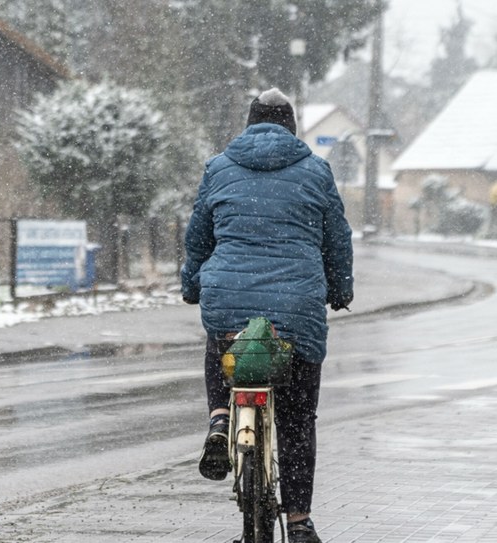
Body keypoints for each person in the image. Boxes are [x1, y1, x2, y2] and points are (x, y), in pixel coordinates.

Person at [181, 88, 353, 543]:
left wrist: (192, 286)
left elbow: (198, 237)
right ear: (292, 128)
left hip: (229, 299)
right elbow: (337, 239)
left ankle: (220, 419)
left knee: (222, 341)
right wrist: (340, 290)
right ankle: (299, 523)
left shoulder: (219, 168)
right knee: (297, 420)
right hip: (296, 309)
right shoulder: (316, 171)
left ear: (249, 123)